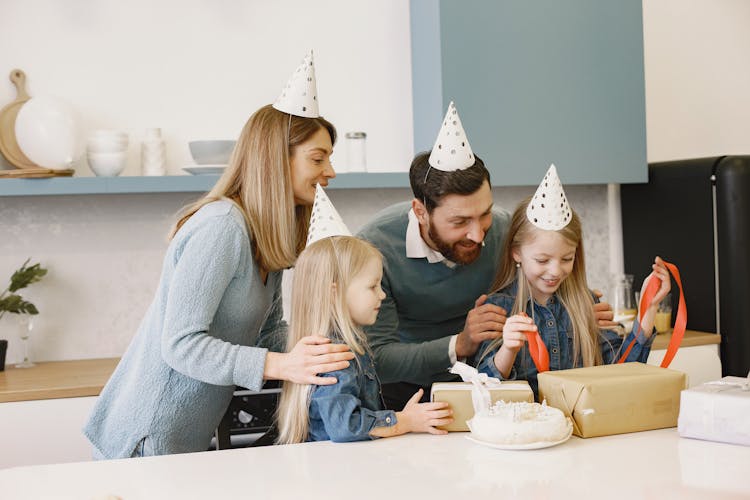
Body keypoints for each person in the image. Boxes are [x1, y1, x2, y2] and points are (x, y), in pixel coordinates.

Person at [83, 52, 356, 458]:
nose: (330, 171)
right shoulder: (222, 227)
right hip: (146, 435)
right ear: (275, 160)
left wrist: (324, 336)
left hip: (184, 433)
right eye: (318, 158)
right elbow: (181, 344)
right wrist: (282, 365)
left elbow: (260, 335)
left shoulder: (264, 239)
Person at [357, 103, 615, 410]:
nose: (479, 235)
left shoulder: (504, 229)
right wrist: (461, 342)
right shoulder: (375, 247)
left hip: (487, 382)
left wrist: (576, 310)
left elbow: (540, 278)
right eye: (459, 222)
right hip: (404, 392)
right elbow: (378, 358)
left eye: (485, 214)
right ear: (421, 212)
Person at [475, 165, 671, 397]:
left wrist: (648, 310)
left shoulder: (586, 305)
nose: (555, 270)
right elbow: (483, 389)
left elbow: (623, 373)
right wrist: (508, 349)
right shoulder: (497, 310)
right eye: (542, 259)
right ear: (516, 253)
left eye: (566, 258)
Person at [276, 235, 453, 444]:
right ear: (335, 293)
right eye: (373, 286)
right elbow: (345, 427)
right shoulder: (335, 355)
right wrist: (404, 421)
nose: (382, 295)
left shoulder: (340, 347)